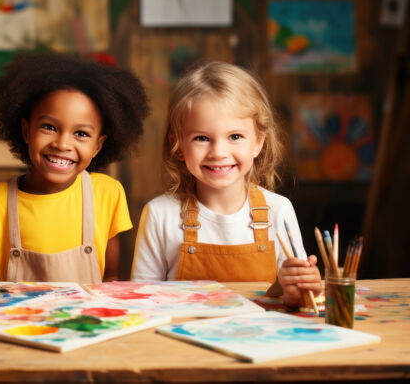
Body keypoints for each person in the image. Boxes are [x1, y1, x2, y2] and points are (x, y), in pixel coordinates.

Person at [131, 61, 322, 307]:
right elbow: (141, 301)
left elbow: (294, 298)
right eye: (202, 138)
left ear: (258, 142)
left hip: (260, 341)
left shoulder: (279, 210)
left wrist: (299, 291)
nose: (219, 152)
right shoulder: (160, 214)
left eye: (235, 136)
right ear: (178, 145)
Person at [0, 53, 150, 283]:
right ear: (26, 131)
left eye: (81, 134)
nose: (62, 144)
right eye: (49, 127)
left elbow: (111, 277)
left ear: (97, 145)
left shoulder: (107, 194)